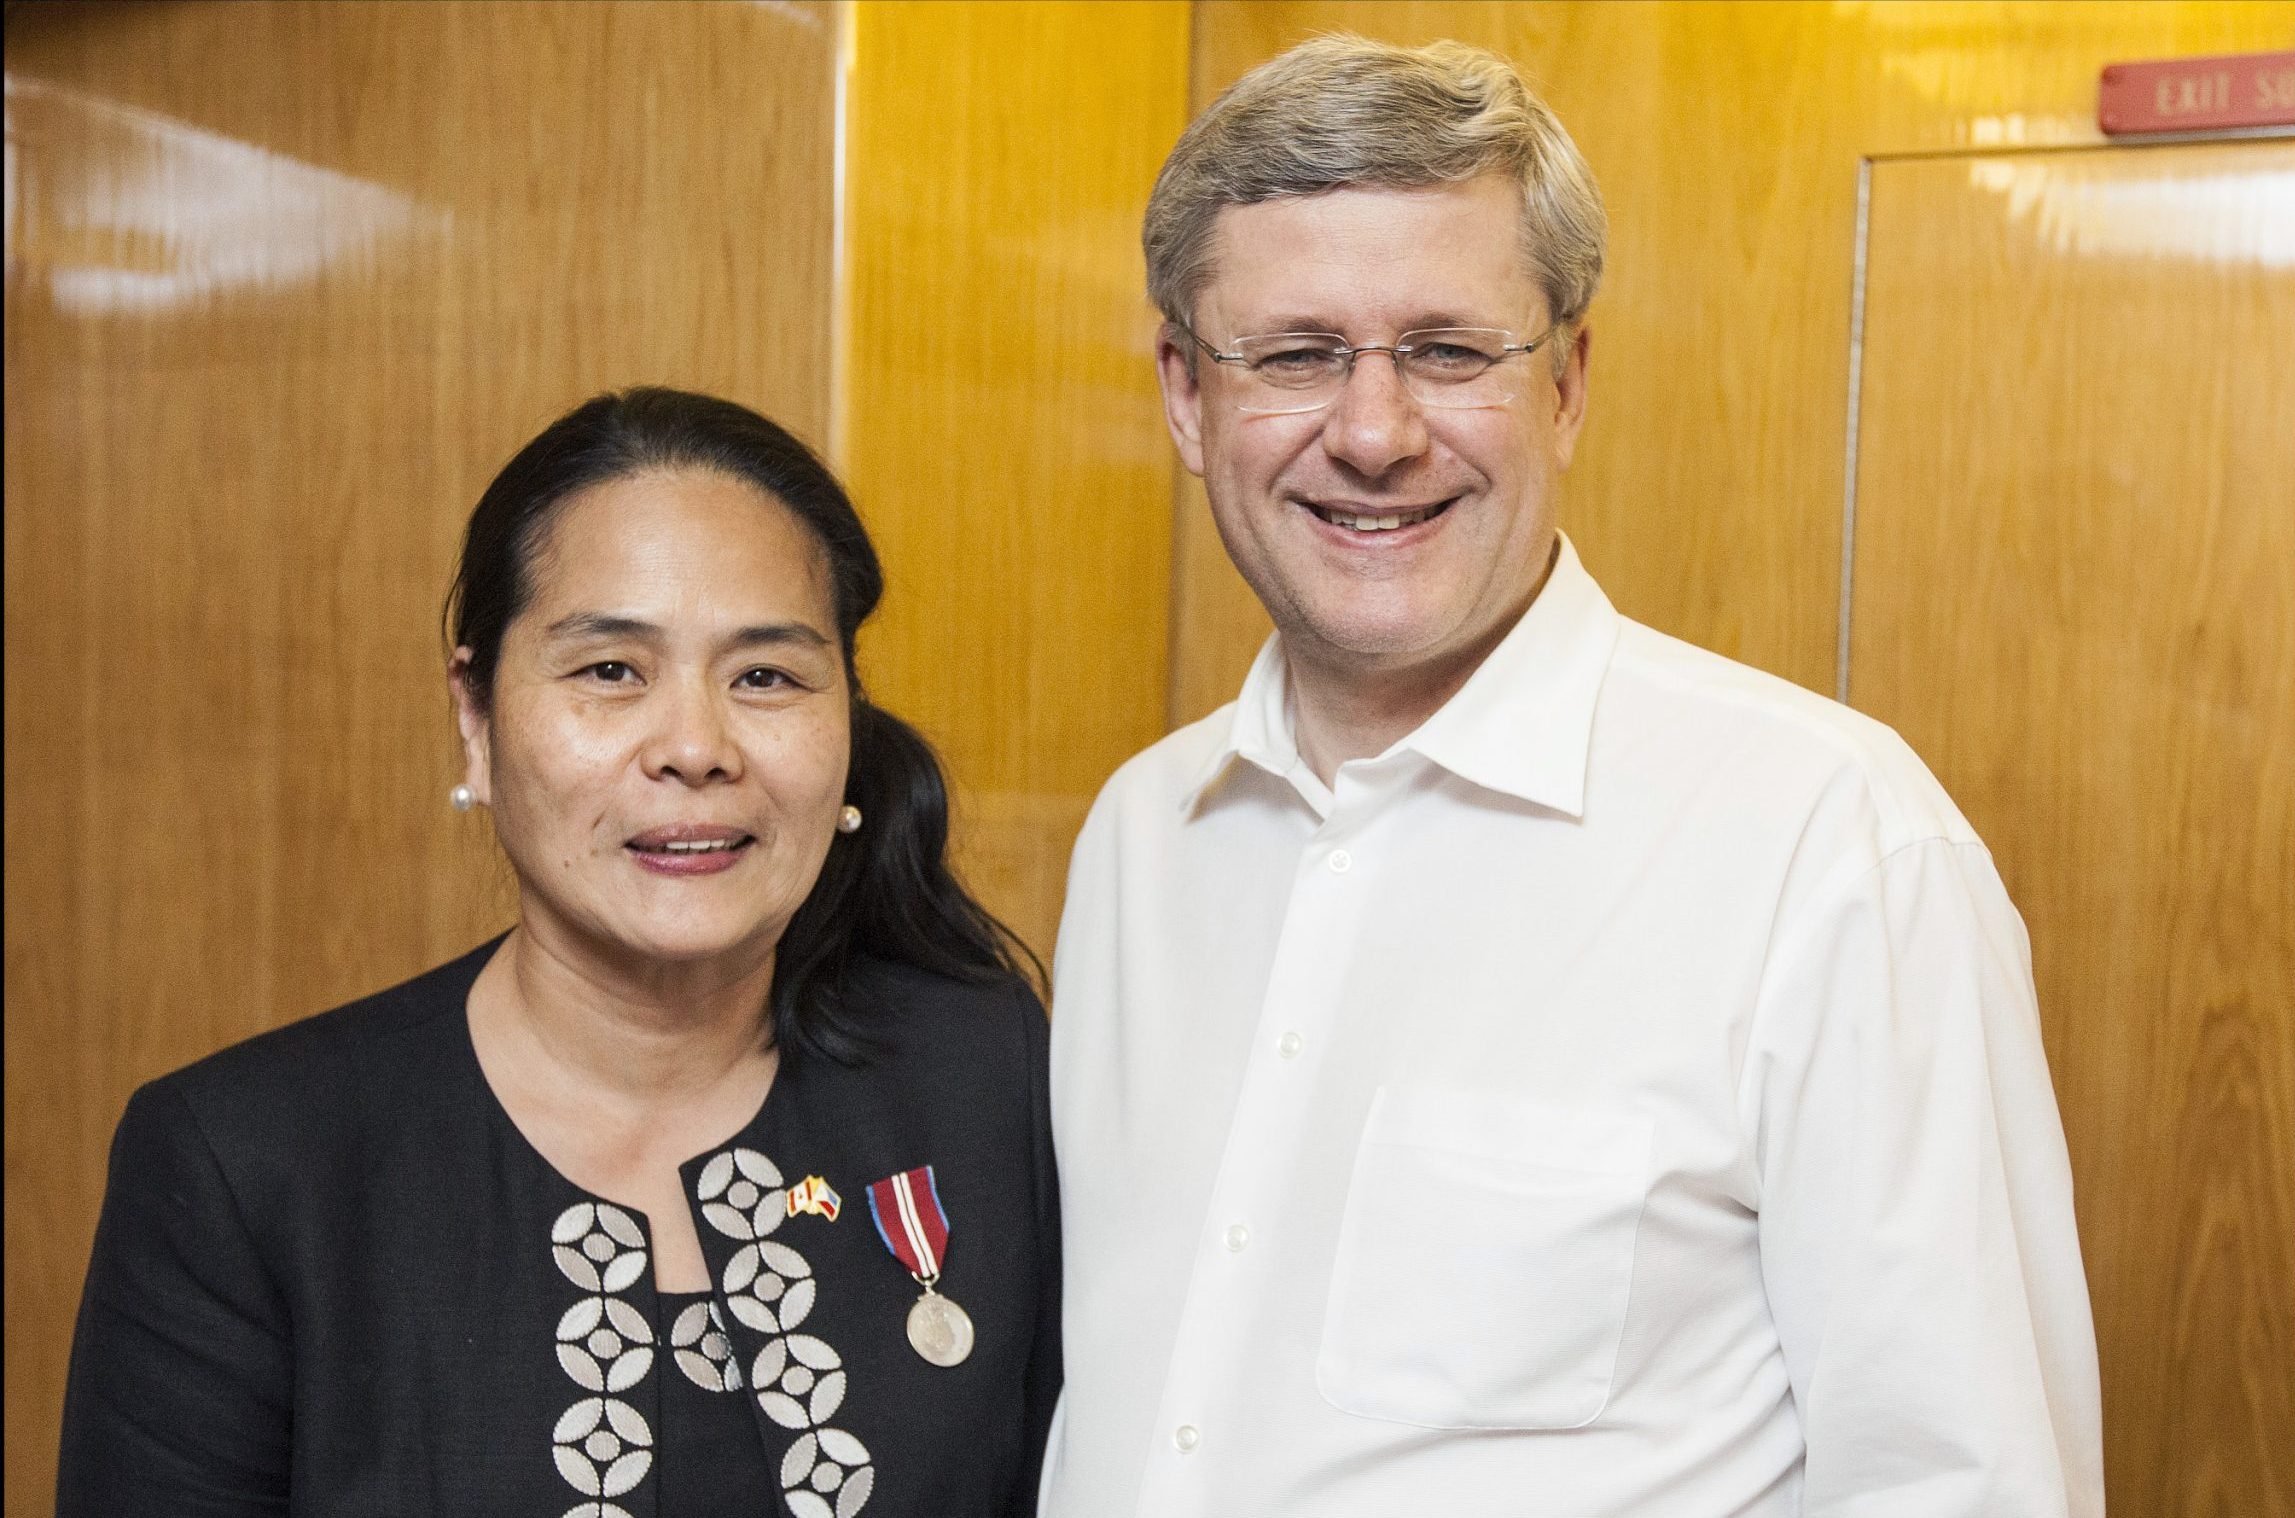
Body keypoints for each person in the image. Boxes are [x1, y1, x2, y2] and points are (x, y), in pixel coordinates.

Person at [1043, 34, 2101, 1518]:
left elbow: (1962, 1482)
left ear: (1568, 380)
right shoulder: (1138, 839)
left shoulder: (1830, 847)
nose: (1370, 431)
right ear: (1182, 395)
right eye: (1291, 355)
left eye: (1447, 348)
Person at [58, 388, 1059, 1516]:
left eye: (767, 676)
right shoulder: (248, 1164)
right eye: (609, 672)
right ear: (477, 720)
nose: (696, 747)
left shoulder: (990, 1081)